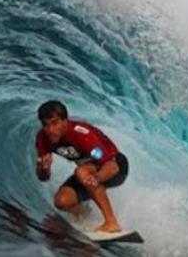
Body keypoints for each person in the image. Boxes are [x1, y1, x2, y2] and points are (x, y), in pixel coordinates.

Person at [34, 100, 129, 233]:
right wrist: (43, 169)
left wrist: (97, 179)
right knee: (62, 201)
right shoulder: (42, 138)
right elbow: (43, 178)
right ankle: (87, 220)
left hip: (116, 167)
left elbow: (113, 166)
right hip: (90, 171)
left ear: (65, 121)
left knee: (82, 172)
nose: (50, 130)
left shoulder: (81, 134)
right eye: (46, 125)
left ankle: (111, 223)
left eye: (55, 123)